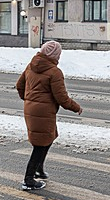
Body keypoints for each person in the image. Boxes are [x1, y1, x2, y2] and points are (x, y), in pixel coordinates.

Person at [15, 40, 81, 191]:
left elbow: (20, 85)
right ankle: (28, 180)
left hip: (32, 109)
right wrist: (75, 107)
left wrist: (28, 99)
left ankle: (39, 169)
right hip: (43, 111)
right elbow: (62, 98)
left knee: (49, 137)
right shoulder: (54, 72)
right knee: (40, 144)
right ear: (55, 55)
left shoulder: (31, 66)